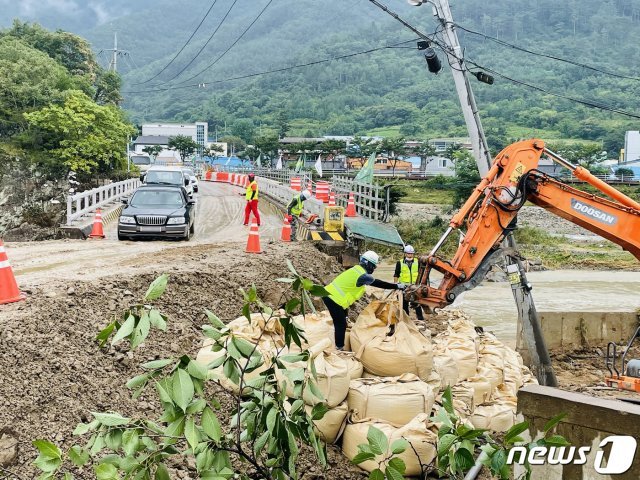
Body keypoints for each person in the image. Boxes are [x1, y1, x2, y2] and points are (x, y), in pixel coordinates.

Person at [324, 250, 406, 350]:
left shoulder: (356, 269)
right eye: (373, 266)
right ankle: (339, 348)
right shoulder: (362, 275)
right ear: (368, 263)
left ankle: (338, 342)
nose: (374, 269)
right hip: (332, 298)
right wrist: (396, 285)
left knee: (342, 320)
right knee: (340, 323)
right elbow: (378, 283)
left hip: (331, 296)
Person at [393, 244, 424, 321]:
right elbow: (396, 274)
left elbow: (422, 273)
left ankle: (420, 319)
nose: (410, 255)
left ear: (413, 253)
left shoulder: (418, 262)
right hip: (404, 287)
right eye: (408, 253)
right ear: (405, 253)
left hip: (415, 286)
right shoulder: (400, 263)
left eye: (411, 253)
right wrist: (395, 286)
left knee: (417, 303)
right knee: (404, 304)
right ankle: (406, 320)